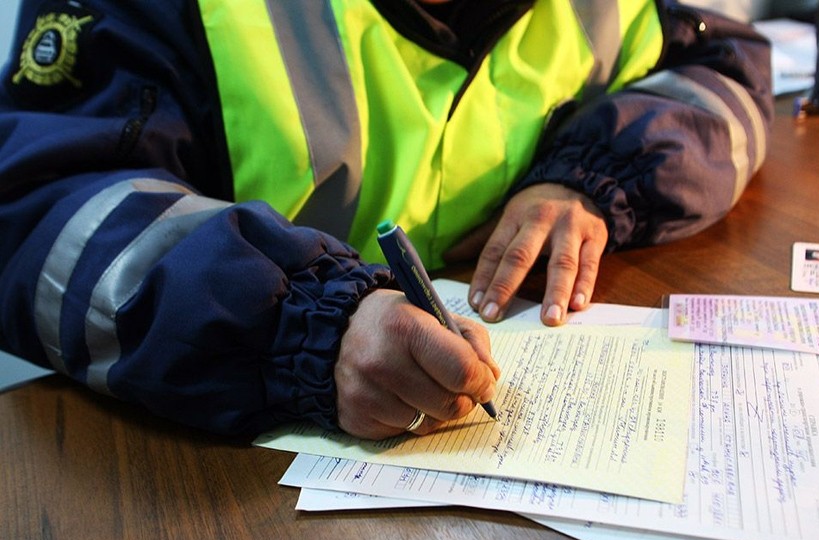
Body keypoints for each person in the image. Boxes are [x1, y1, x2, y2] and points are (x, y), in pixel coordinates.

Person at [0, 0, 772, 440]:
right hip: (230, 480)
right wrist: (308, 326)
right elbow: (37, 213)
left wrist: (589, 178)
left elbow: (727, 73)